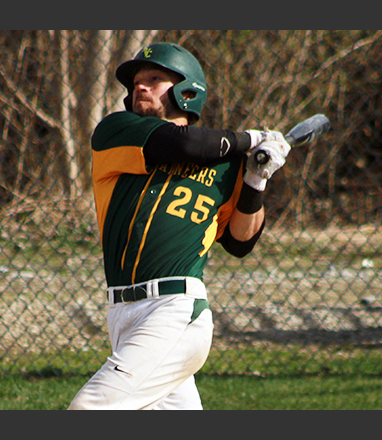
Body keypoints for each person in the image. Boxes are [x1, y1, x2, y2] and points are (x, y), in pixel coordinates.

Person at [68, 42, 291, 410]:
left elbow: (240, 241)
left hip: (173, 310)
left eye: (155, 79)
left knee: (90, 409)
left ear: (188, 91)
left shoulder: (228, 164)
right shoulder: (118, 131)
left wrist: (256, 180)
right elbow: (182, 146)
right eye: (138, 81)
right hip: (123, 315)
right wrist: (252, 138)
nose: (140, 86)